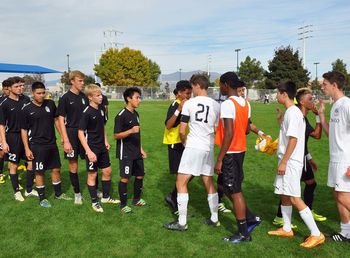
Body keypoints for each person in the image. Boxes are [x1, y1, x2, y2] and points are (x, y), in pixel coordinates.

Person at [267, 81, 325, 249]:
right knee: (284, 194)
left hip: (291, 162)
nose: (276, 96)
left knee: (294, 197)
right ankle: (286, 228)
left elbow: (294, 139)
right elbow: (289, 136)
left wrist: (284, 161)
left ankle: (316, 234)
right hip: (287, 159)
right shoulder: (292, 112)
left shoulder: (293, 113)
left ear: (284, 94)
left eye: (277, 93)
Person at [164, 74, 220, 231]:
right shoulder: (216, 105)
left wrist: (184, 142)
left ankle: (181, 222)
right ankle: (214, 218)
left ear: (196, 85)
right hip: (208, 147)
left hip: (193, 145)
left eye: (192, 87)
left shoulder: (190, 103)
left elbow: (182, 130)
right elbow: (216, 128)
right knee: (208, 181)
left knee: (181, 182)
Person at [214, 72, 261, 243]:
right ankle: (250, 217)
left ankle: (243, 233)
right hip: (240, 150)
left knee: (234, 191)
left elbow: (229, 133)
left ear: (226, 85)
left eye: (221, 85)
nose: (220, 88)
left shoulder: (228, 104)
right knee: (225, 186)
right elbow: (247, 129)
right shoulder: (245, 104)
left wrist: (220, 158)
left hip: (231, 152)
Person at [20, 82, 72, 208]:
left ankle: (58, 194)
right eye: (39, 93)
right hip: (37, 145)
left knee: (56, 169)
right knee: (40, 172)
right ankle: (42, 198)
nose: (42, 95)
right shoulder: (26, 109)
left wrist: (63, 137)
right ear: (32, 93)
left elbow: (56, 120)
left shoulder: (50, 103)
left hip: (51, 143)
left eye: (44, 93)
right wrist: (27, 149)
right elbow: (23, 130)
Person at [318, 71, 350, 242]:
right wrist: (322, 115)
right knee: (337, 194)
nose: (322, 87)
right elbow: (332, 134)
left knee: (344, 196)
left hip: (345, 160)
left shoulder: (346, 104)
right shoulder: (336, 105)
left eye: (325, 84)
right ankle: (346, 232)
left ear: (335, 85)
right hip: (335, 158)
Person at [78, 84, 119, 213]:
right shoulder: (86, 112)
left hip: (102, 147)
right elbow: (80, 133)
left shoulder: (101, 109)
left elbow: (102, 127)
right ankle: (95, 202)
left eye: (101, 94)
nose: (101, 97)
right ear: (90, 97)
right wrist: (88, 151)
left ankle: (106, 197)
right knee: (92, 174)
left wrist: (106, 141)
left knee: (107, 171)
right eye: (98, 95)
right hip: (92, 148)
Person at [0, 77, 36, 201]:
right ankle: (16, 191)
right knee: (13, 165)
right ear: (9, 88)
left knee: (31, 162)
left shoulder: (26, 99)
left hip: (27, 135)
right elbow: (1, 125)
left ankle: (29, 189)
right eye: (17, 86)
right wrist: (3, 142)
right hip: (13, 137)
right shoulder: (4, 104)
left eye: (22, 85)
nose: (21, 88)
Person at [57, 70, 89, 204]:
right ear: (72, 81)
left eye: (83, 81)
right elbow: (60, 120)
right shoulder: (65, 98)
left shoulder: (84, 96)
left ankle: (94, 188)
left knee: (92, 161)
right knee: (73, 164)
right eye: (80, 81)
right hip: (71, 133)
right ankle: (77, 193)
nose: (82, 83)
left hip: (86, 133)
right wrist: (66, 140)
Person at [114, 87, 147, 213]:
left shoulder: (136, 114)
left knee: (140, 175)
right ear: (128, 99)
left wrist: (141, 149)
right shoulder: (121, 116)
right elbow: (116, 135)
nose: (139, 100)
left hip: (136, 151)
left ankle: (136, 199)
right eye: (137, 98)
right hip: (126, 152)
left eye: (140, 97)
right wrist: (130, 131)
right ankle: (123, 205)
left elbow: (136, 136)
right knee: (125, 178)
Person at [163, 80, 192, 214]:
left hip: (185, 142)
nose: (189, 95)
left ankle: (173, 196)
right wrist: (179, 110)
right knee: (181, 175)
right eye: (187, 93)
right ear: (179, 93)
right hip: (175, 143)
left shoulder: (188, 104)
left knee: (190, 173)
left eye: (190, 93)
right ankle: (176, 202)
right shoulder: (175, 105)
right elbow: (168, 125)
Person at [0, 79, 11, 184]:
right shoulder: (1, 101)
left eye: (9, 89)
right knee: (2, 153)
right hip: (2, 129)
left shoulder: (17, 99)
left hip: (12, 131)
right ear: (3, 89)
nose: (8, 91)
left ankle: (13, 172)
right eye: (6, 89)